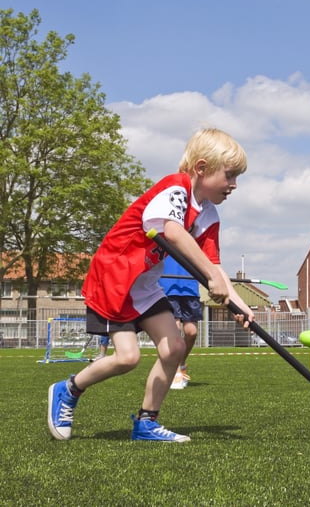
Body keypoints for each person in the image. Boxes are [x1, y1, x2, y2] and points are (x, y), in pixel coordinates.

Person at [47, 128, 253, 442]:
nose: (234, 185)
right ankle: (68, 389)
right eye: (230, 175)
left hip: (143, 286)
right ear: (201, 168)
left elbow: (215, 266)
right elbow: (171, 231)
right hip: (114, 279)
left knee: (174, 348)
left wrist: (238, 303)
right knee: (127, 358)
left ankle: (146, 423)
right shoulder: (175, 188)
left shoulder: (208, 214)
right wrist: (210, 278)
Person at [159, 256, 202, 390]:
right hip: (167, 287)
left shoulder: (195, 236)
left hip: (190, 288)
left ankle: (181, 363)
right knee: (175, 330)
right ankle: (176, 371)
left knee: (192, 332)